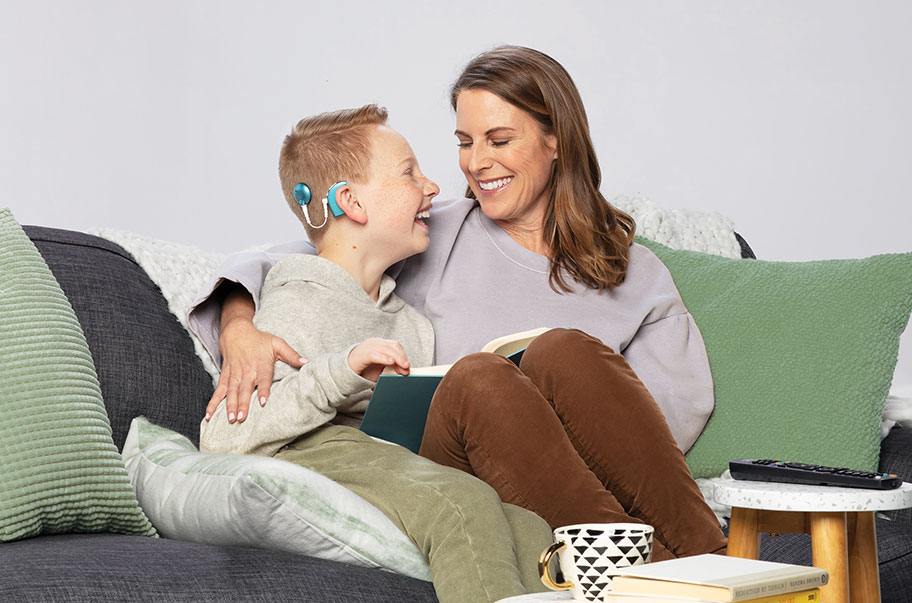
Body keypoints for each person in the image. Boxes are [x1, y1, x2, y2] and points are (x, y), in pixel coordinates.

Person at [189, 46, 727, 562]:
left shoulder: (636, 274)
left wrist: (552, 442)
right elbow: (304, 253)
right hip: (452, 469)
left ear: (556, 139)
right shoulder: (434, 230)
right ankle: (647, 574)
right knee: (480, 378)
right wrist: (239, 323)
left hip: (579, 486)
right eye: (465, 142)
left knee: (561, 350)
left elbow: (665, 421)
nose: (476, 163)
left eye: (498, 139)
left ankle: (711, 560)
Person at [199, 104, 552, 603]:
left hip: (384, 464)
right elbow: (220, 437)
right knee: (461, 504)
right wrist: (340, 371)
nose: (432, 186)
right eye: (410, 173)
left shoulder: (410, 323)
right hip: (313, 454)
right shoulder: (298, 299)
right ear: (351, 202)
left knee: (530, 527)